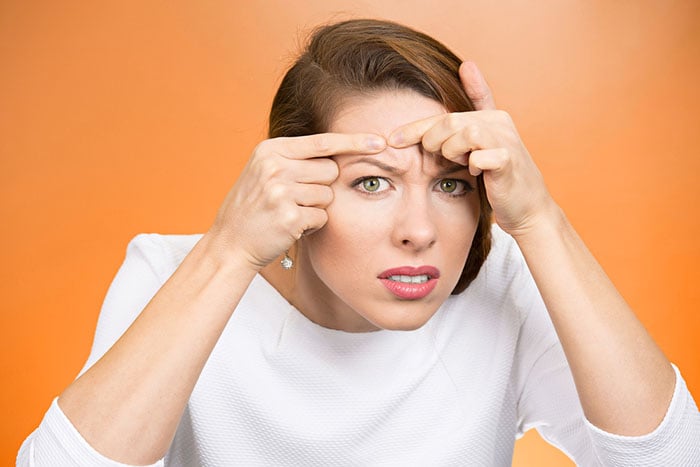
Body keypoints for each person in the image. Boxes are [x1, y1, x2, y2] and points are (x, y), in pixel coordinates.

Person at [18, 18, 699, 466]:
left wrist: (543, 220)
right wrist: (228, 251)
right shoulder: (173, 272)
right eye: (373, 183)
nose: (420, 230)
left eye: (453, 184)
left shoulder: (506, 281)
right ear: (292, 184)